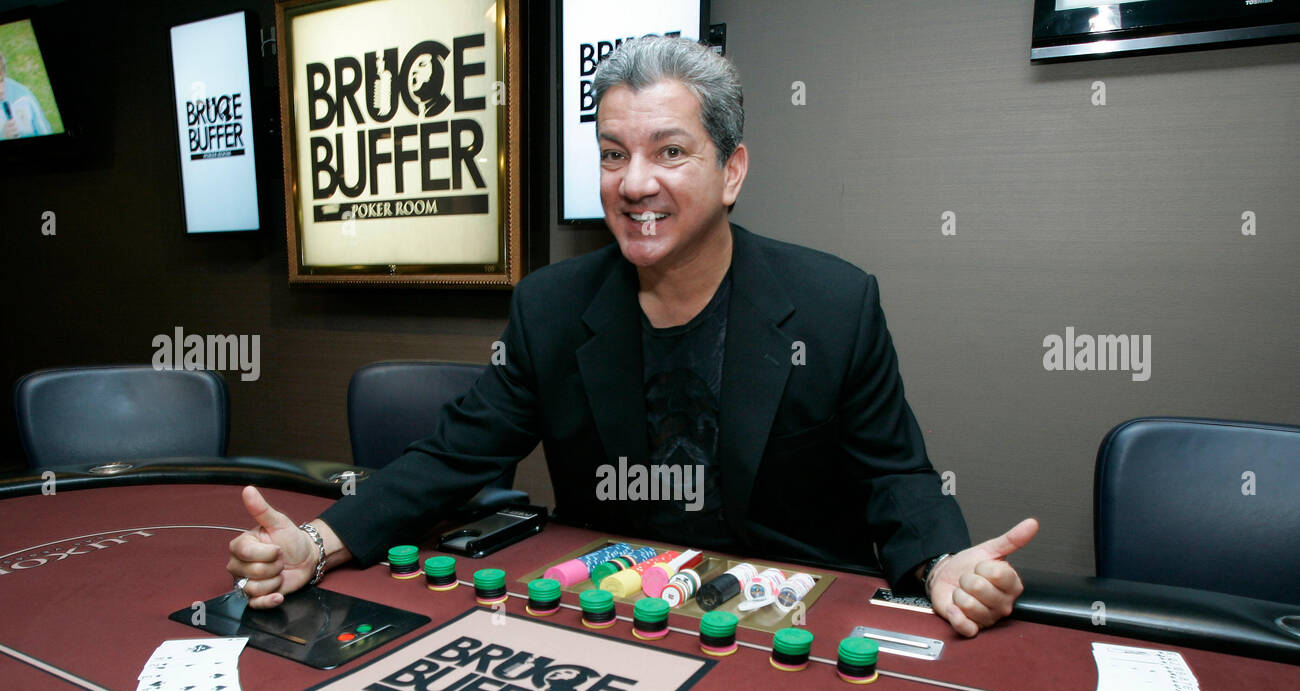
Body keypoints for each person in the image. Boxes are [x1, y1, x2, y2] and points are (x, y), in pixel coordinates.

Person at [228, 36, 1037, 637]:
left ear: (732, 171)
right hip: (610, 621)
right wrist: (319, 540)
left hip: (791, 631)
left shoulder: (835, 303)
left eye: (670, 151)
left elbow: (896, 476)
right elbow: (455, 453)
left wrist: (942, 564)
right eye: (613, 155)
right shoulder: (551, 307)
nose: (635, 182)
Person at [0, 52, 53, 139]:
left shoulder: (23, 96)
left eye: (1, 81)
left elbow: (44, 130)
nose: (1, 90)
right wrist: (3, 136)